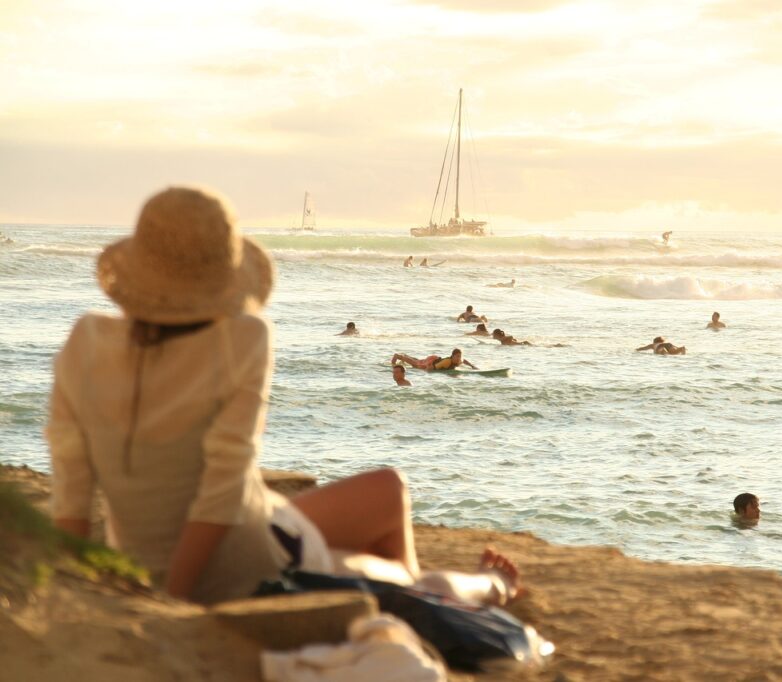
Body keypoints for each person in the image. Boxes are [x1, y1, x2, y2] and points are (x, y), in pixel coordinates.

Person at [46, 186, 519, 606]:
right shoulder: (243, 336)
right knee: (401, 573)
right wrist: (174, 602)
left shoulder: (85, 339)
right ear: (223, 273)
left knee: (387, 491)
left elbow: (71, 493)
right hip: (245, 561)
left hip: (160, 547)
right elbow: (221, 494)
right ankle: (487, 588)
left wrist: (78, 588)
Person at [391, 348, 477, 371]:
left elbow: (464, 361)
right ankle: (398, 356)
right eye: (457, 356)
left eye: (460, 356)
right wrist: (423, 372)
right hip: (431, 361)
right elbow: (430, 368)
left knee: (419, 361)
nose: (459, 358)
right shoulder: (447, 362)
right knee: (416, 365)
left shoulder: (458, 361)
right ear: (453, 356)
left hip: (435, 359)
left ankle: (406, 356)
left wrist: (472, 366)